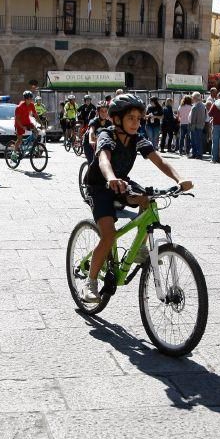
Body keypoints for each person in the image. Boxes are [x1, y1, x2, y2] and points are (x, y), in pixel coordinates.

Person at [79, 94, 192, 303]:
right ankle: (90, 282)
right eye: (131, 118)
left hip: (120, 182)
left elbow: (159, 160)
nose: (136, 123)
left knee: (146, 198)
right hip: (99, 186)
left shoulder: (137, 138)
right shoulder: (106, 135)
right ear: (117, 119)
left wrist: (180, 178)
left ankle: (141, 249)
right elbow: (103, 159)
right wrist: (111, 177)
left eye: (139, 119)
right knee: (109, 235)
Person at [188, 91, 208, 158]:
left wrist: (191, 126)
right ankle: (197, 153)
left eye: (193, 97)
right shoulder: (202, 105)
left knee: (195, 141)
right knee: (198, 141)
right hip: (200, 125)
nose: (192, 99)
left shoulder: (196, 106)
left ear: (195, 98)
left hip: (195, 126)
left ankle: (196, 154)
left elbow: (194, 118)